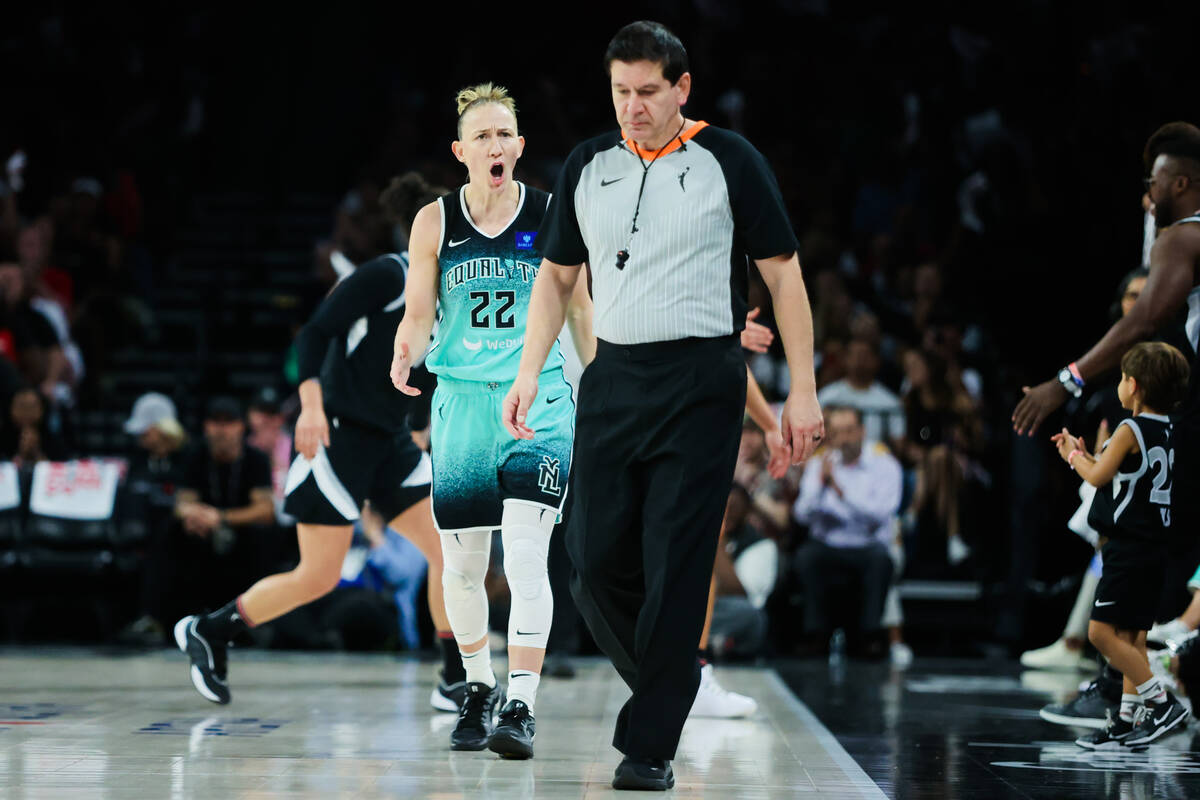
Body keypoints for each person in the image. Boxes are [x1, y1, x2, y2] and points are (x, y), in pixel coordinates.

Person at [502, 22, 822, 790]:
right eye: (621, 92)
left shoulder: (730, 161)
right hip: (612, 378)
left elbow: (784, 276)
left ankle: (649, 746)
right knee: (590, 562)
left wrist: (800, 390)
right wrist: (527, 370)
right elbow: (554, 278)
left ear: (682, 88)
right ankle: (673, 684)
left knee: (676, 564)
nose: (633, 107)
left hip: (702, 379)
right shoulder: (588, 163)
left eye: (648, 92)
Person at [175, 202, 459, 711]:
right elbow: (316, 332)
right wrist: (309, 406)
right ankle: (211, 630)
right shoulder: (388, 275)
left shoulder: (457, 296)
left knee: (449, 552)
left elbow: (429, 371)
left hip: (390, 441)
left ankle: (455, 677)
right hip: (335, 434)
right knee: (318, 576)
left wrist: (419, 432)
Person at [390, 83, 593, 759]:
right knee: (463, 563)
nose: (496, 145)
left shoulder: (553, 213)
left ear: (521, 146)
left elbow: (581, 310)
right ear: (460, 151)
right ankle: (477, 687)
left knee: (529, 554)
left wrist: (601, 387)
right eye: (482, 136)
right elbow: (420, 314)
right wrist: (405, 350)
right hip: (462, 402)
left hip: (539, 400)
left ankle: (521, 701)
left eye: (505, 133)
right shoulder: (433, 222)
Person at [1013, 122, 1200, 631]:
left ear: (1180, 184)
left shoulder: (1184, 235)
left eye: (1155, 183)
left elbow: (1144, 319)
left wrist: (1067, 380)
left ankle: (1139, 679)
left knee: (1156, 531)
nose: (1149, 194)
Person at [1050, 341, 1190, 748]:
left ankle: (1161, 703)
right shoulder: (1167, 427)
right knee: (1133, 637)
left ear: (1136, 386)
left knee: (1101, 633)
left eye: (1125, 378)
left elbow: (1095, 478)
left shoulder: (1130, 429)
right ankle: (1129, 718)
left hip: (1128, 548)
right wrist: (1085, 453)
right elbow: (1117, 474)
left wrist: (1073, 457)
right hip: (1154, 547)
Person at [792, 406, 901, 652]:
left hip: (867, 545)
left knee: (881, 561)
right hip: (828, 545)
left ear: (862, 431)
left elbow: (880, 515)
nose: (844, 439)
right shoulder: (822, 464)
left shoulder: (885, 465)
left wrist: (840, 492)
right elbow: (802, 513)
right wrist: (821, 485)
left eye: (849, 431)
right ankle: (815, 635)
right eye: (837, 433)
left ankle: (870, 636)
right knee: (806, 557)